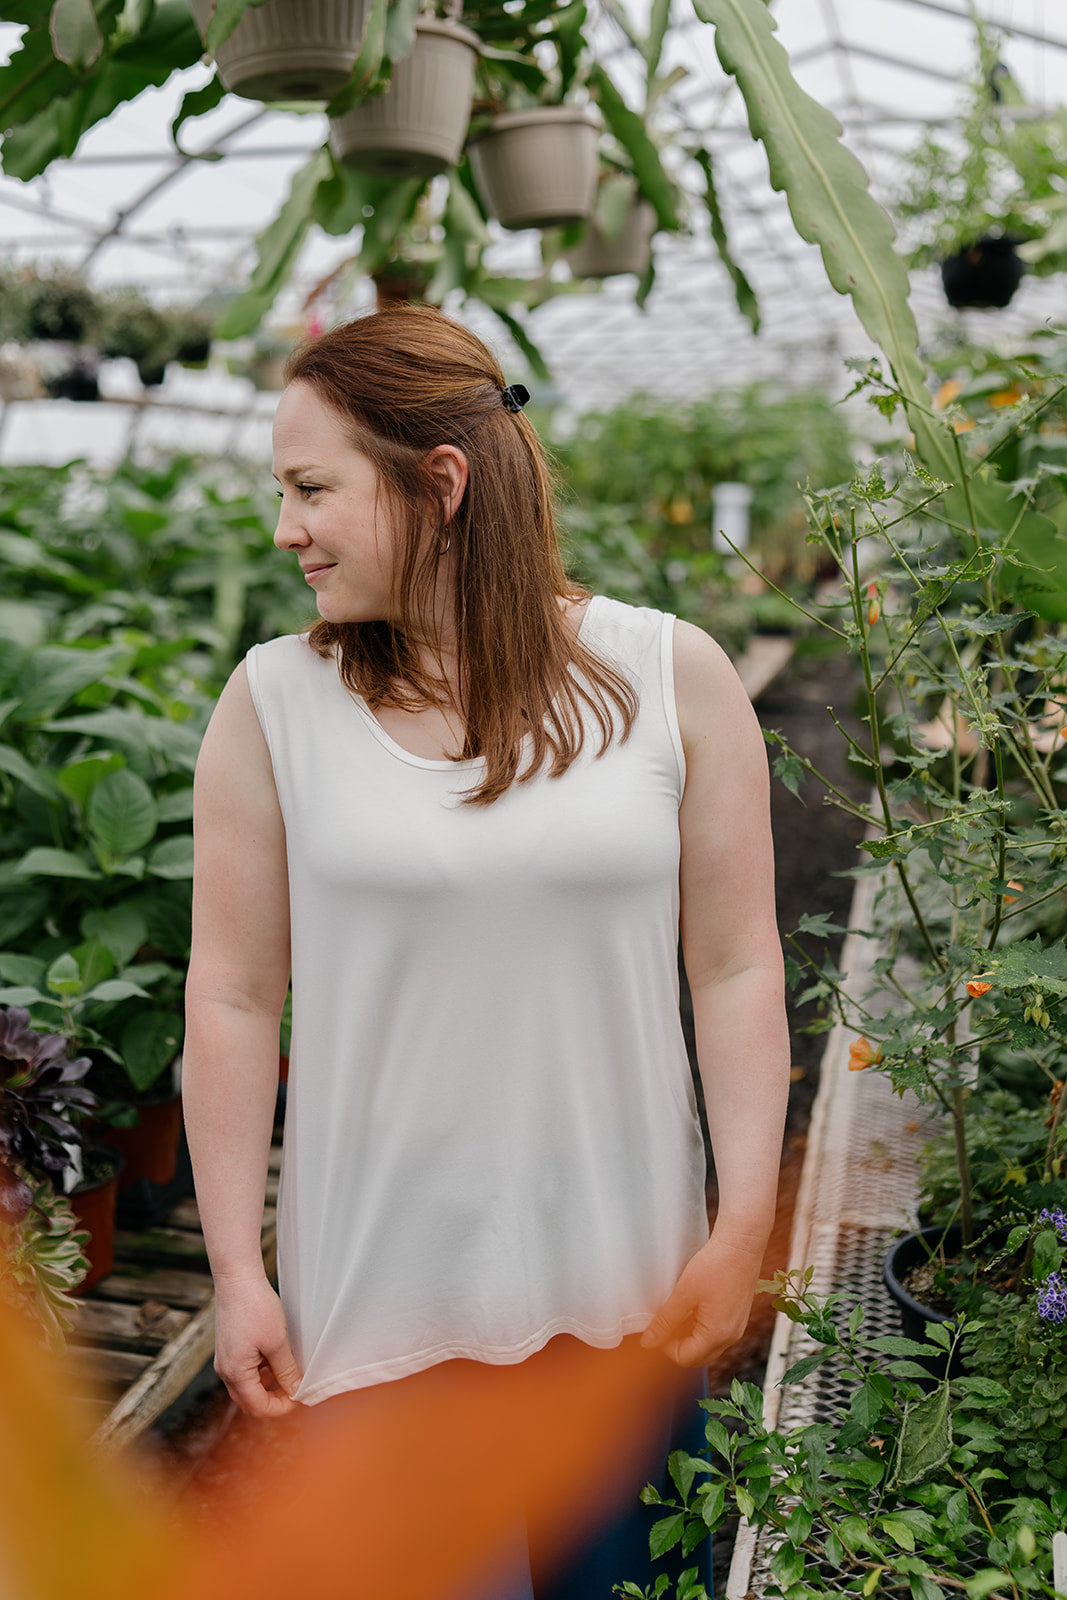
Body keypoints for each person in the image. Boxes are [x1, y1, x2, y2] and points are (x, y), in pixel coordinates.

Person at [182, 306, 790, 1599]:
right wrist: (237, 1270)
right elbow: (232, 999)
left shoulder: (667, 679)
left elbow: (735, 970)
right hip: (375, 1304)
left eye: (310, 489)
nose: (283, 529)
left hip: (626, 1296)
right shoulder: (273, 706)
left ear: (440, 484)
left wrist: (741, 1225)